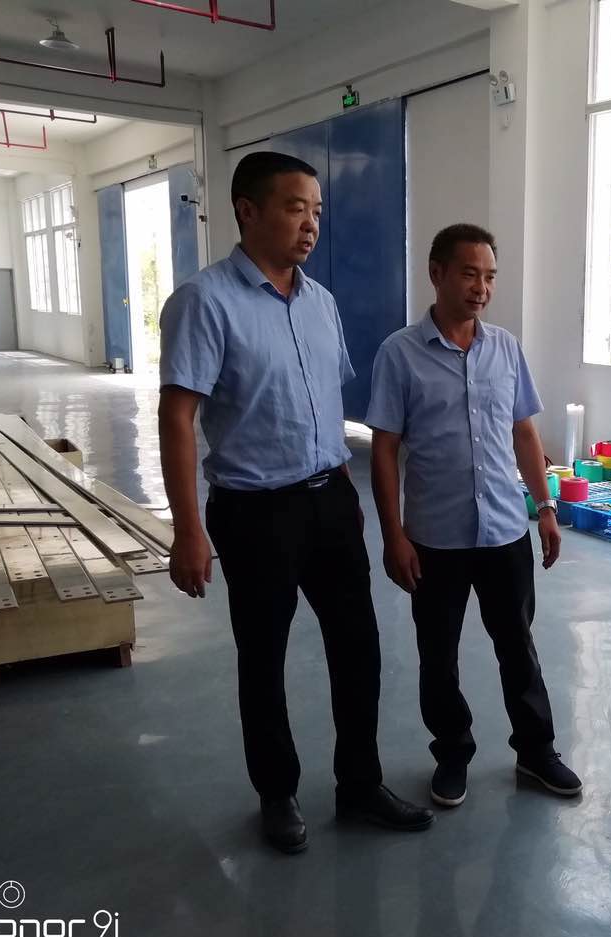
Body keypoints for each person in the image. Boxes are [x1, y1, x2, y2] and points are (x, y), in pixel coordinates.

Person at [157, 151, 433, 854]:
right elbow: (177, 417)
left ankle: (360, 784)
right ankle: (277, 793)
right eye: (294, 208)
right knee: (264, 656)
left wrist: (345, 486)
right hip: (254, 512)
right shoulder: (204, 301)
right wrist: (188, 531)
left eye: (316, 210)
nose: (310, 223)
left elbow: (325, 404)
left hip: (329, 498)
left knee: (359, 648)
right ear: (247, 211)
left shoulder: (320, 302)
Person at [367, 223, 582, 809]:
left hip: (504, 532)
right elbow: (384, 449)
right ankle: (452, 753)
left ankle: (536, 750)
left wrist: (545, 507)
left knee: (518, 645)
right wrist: (393, 535)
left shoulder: (505, 348)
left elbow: (524, 432)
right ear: (436, 273)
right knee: (438, 654)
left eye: (489, 276)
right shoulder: (399, 354)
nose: (481, 287)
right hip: (434, 538)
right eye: (469, 274)